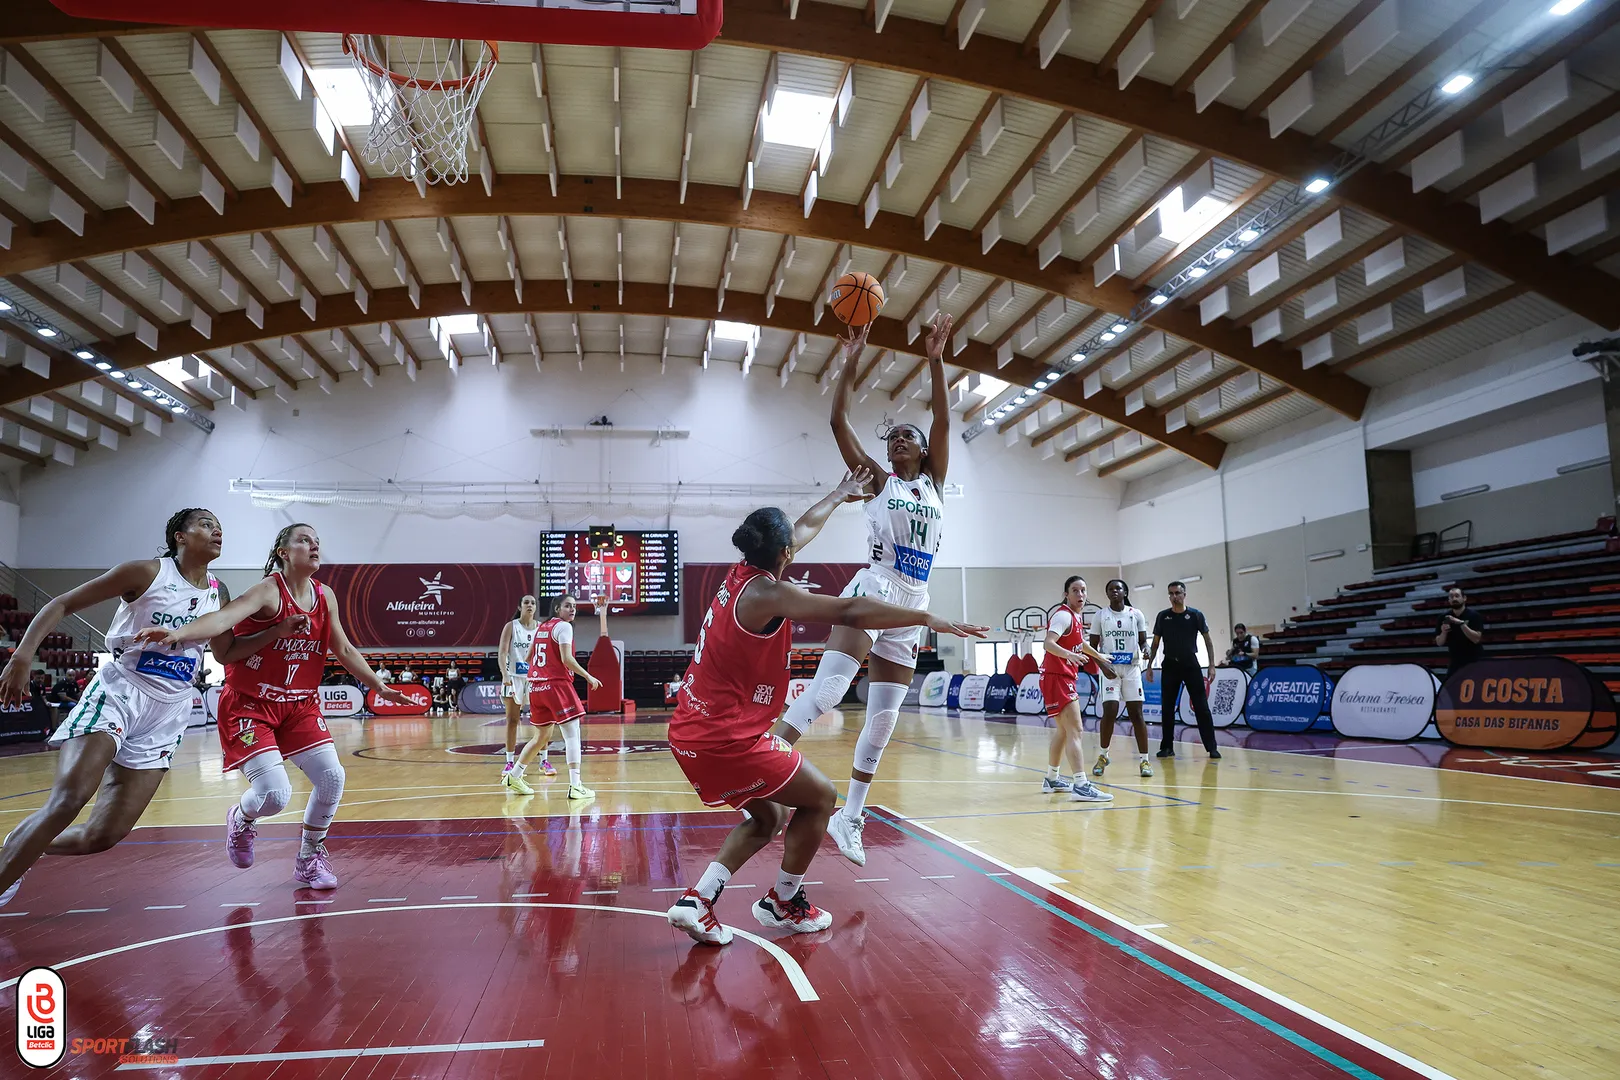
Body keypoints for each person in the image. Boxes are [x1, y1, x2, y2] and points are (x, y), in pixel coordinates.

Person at [666, 502, 987, 945]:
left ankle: (698, 900)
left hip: (688, 734)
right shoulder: (769, 594)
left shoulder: (738, 576)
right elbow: (853, 611)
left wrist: (837, 495)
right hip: (728, 741)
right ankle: (784, 900)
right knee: (819, 798)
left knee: (768, 817)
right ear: (785, 553)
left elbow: (801, 529)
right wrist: (925, 617)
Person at [772, 313, 956, 868]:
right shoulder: (879, 481)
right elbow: (836, 420)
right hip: (873, 586)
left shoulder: (935, 483)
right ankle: (764, 765)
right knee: (828, 695)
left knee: (881, 723)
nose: (899, 439)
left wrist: (936, 359)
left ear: (923, 453)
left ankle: (852, 817)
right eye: (894, 436)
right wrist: (851, 357)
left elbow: (944, 418)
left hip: (913, 598)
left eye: (909, 437)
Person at [134, 523, 410, 890]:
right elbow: (222, 619)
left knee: (332, 777)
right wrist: (178, 634)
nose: (314, 546)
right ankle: (242, 818)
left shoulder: (324, 595)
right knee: (275, 795)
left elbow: (341, 648)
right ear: (283, 551)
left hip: (299, 704)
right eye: (304, 540)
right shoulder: (267, 591)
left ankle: (310, 856)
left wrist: (378, 685)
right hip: (250, 704)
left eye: (317, 541)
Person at [0, 509, 225, 909]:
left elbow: (228, 652)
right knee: (69, 801)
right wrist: (22, 654)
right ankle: (8, 868)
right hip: (121, 692)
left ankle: (19, 849)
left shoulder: (217, 592)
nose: (216, 530)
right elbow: (63, 603)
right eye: (205, 523)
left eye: (218, 525)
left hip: (169, 710)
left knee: (101, 836)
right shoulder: (145, 572)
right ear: (180, 536)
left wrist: (277, 631)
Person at [506, 594, 603, 799]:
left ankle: (515, 775)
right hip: (554, 685)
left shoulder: (542, 626)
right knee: (572, 735)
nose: (572, 610)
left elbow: (527, 657)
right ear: (557, 608)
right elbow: (567, 659)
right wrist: (588, 676)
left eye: (574, 606)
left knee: (541, 736)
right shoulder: (564, 627)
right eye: (568, 606)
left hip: (535, 687)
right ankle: (576, 786)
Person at [1039, 575, 1116, 802]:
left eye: (1083, 590)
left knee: (1064, 731)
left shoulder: (1075, 617)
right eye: (1075, 590)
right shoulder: (1063, 615)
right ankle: (1081, 784)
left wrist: (1098, 655)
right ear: (1066, 594)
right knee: (1076, 730)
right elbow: (1048, 643)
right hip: (1057, 678)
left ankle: (1052, 778)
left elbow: (1078, 641)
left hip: (1059, 678)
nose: (1080, 595)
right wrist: (1070, 655)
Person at [1147, 581, 1220, 761]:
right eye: (1171, 593)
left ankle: (1212, 747)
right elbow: (1155, 644)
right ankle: (1167, 747)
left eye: (1178, 593)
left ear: (1184, 594)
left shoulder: (1196, 615)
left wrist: (1211, 665)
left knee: (1201, 707)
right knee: (1167, 707)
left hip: (1190, 664)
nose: (1174, 597)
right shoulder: (1163, 617)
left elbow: (1208, 641)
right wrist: (1149, 666)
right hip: (1170, 665)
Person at [1090, 579, 1153, 778]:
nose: (1114, 591)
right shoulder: (1100, 616)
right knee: (1110, 711)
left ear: (1125, 592)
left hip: (1132, 668)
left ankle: (1144, 761)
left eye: (1118, 588)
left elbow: (1144, 642)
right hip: (1110, 668)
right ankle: (1103, 755)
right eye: (1111, 589)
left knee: (1137, 714)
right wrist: (1102, 666)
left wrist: (1146, 650)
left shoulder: (1136, 615)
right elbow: (1092, 649)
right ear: (1107, 593)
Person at [497, 596, 552, 784]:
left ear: (536, 608)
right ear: (520, 606)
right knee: (512, 720)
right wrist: (505, 675)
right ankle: (509, 762)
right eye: (526, 602)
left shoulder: (541, 628)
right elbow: (502, 653)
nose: (530, 605)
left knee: (542, 721)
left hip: (535, 678)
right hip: (513, 677)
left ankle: (544, 761)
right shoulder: (511, 626)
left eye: (533, 603)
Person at [1434, 586, 1484, 680]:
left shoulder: (1474, 616)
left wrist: (1461, 624)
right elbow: (1439, 642)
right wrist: (1444, 632)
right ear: (1449, 600)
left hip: (1473, 659)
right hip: (1455, 660)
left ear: (1464, 598)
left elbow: (1476, 639)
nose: (1454, 599)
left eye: (1457, 596)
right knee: (1450, 687)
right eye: (1451, 597)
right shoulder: (1443, 617)